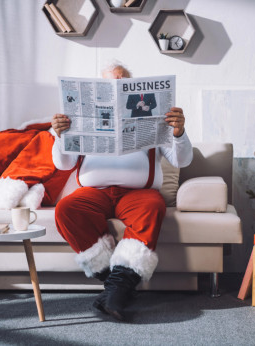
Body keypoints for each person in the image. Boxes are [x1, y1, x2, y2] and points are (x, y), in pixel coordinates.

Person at [51, 63, 193, 321]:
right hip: (95, 192)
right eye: (109, 83)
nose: (115, 87)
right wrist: (59, 136)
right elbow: (64, 165)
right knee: (66, 209)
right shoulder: (81, 117)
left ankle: (116, 292)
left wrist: (179, 132)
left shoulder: (156, 118)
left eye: (121, 82)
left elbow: (181, 161)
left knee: (153, 206)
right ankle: (118, 283)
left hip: (138, 194)